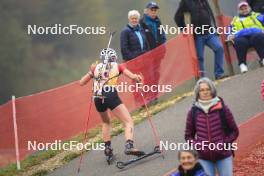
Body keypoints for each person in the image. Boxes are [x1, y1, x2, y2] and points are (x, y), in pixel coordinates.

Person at [80, 48, 144, 158]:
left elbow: (81, 82)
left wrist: (91, 71)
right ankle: (129, 146)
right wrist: (138, 78)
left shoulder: (96, 68)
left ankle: (108, 148)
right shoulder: (118, 66)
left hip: (98, 97)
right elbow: (133, 77)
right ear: (114, 57)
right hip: (110, 94)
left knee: (106, 122)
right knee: (128, 121)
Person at [185, 77, 239, 176]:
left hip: (223, 155)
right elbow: (188, 136)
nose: (205, 92)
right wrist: (199, 146)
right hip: (203, 157)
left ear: (212, 91)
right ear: (198, 93)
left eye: (208, 89)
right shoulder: (193, 112)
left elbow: (234, 131)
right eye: (202, 90)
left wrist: (224, 144)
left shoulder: (223, 109)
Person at [174, 0, 225, 80]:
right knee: (199, 58)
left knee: (219, 48)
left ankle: (219, 74)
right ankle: (202, 79)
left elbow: (209, 12)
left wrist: (214, 26)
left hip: (209, 31)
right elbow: (177, 17)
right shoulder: (186, 2)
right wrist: (185, 30)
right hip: (197, 35)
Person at [227, 1, 264, 73]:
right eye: (242, 9)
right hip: (242, 38)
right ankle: (242, 64)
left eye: (245, 8)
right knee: (239, 41)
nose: (244, 10)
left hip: (256, 36)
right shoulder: (235, 19)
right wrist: (229, 36)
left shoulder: (257, 15)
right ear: (239, 11)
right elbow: (230, 30)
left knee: (258, 36)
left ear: (249, 8)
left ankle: (263, 58)